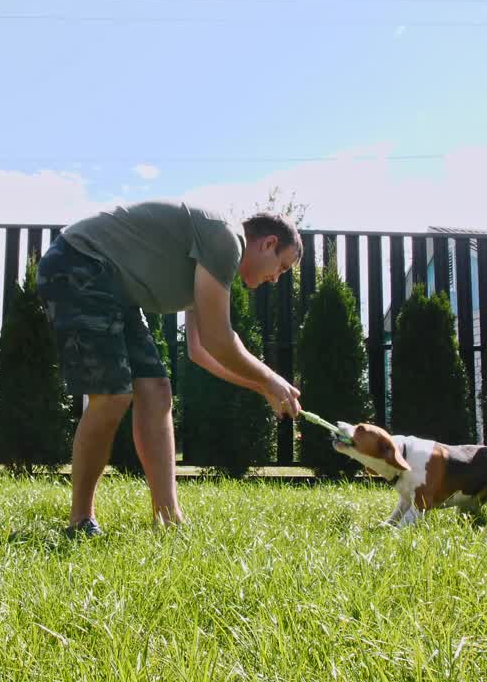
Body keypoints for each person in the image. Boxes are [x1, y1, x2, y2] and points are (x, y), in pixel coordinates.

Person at [36, 199, 303, 536]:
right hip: (79, 264)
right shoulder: (225, 240)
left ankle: (168, 516)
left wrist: (262, 386)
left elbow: (201, 350)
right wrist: (270, 378)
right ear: (268, 244)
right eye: (282, 267)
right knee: (113, 395)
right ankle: (80, 521)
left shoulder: (215, 261)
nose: (276, 280)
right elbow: (219, 339)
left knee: (156, 391)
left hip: (112, 286)